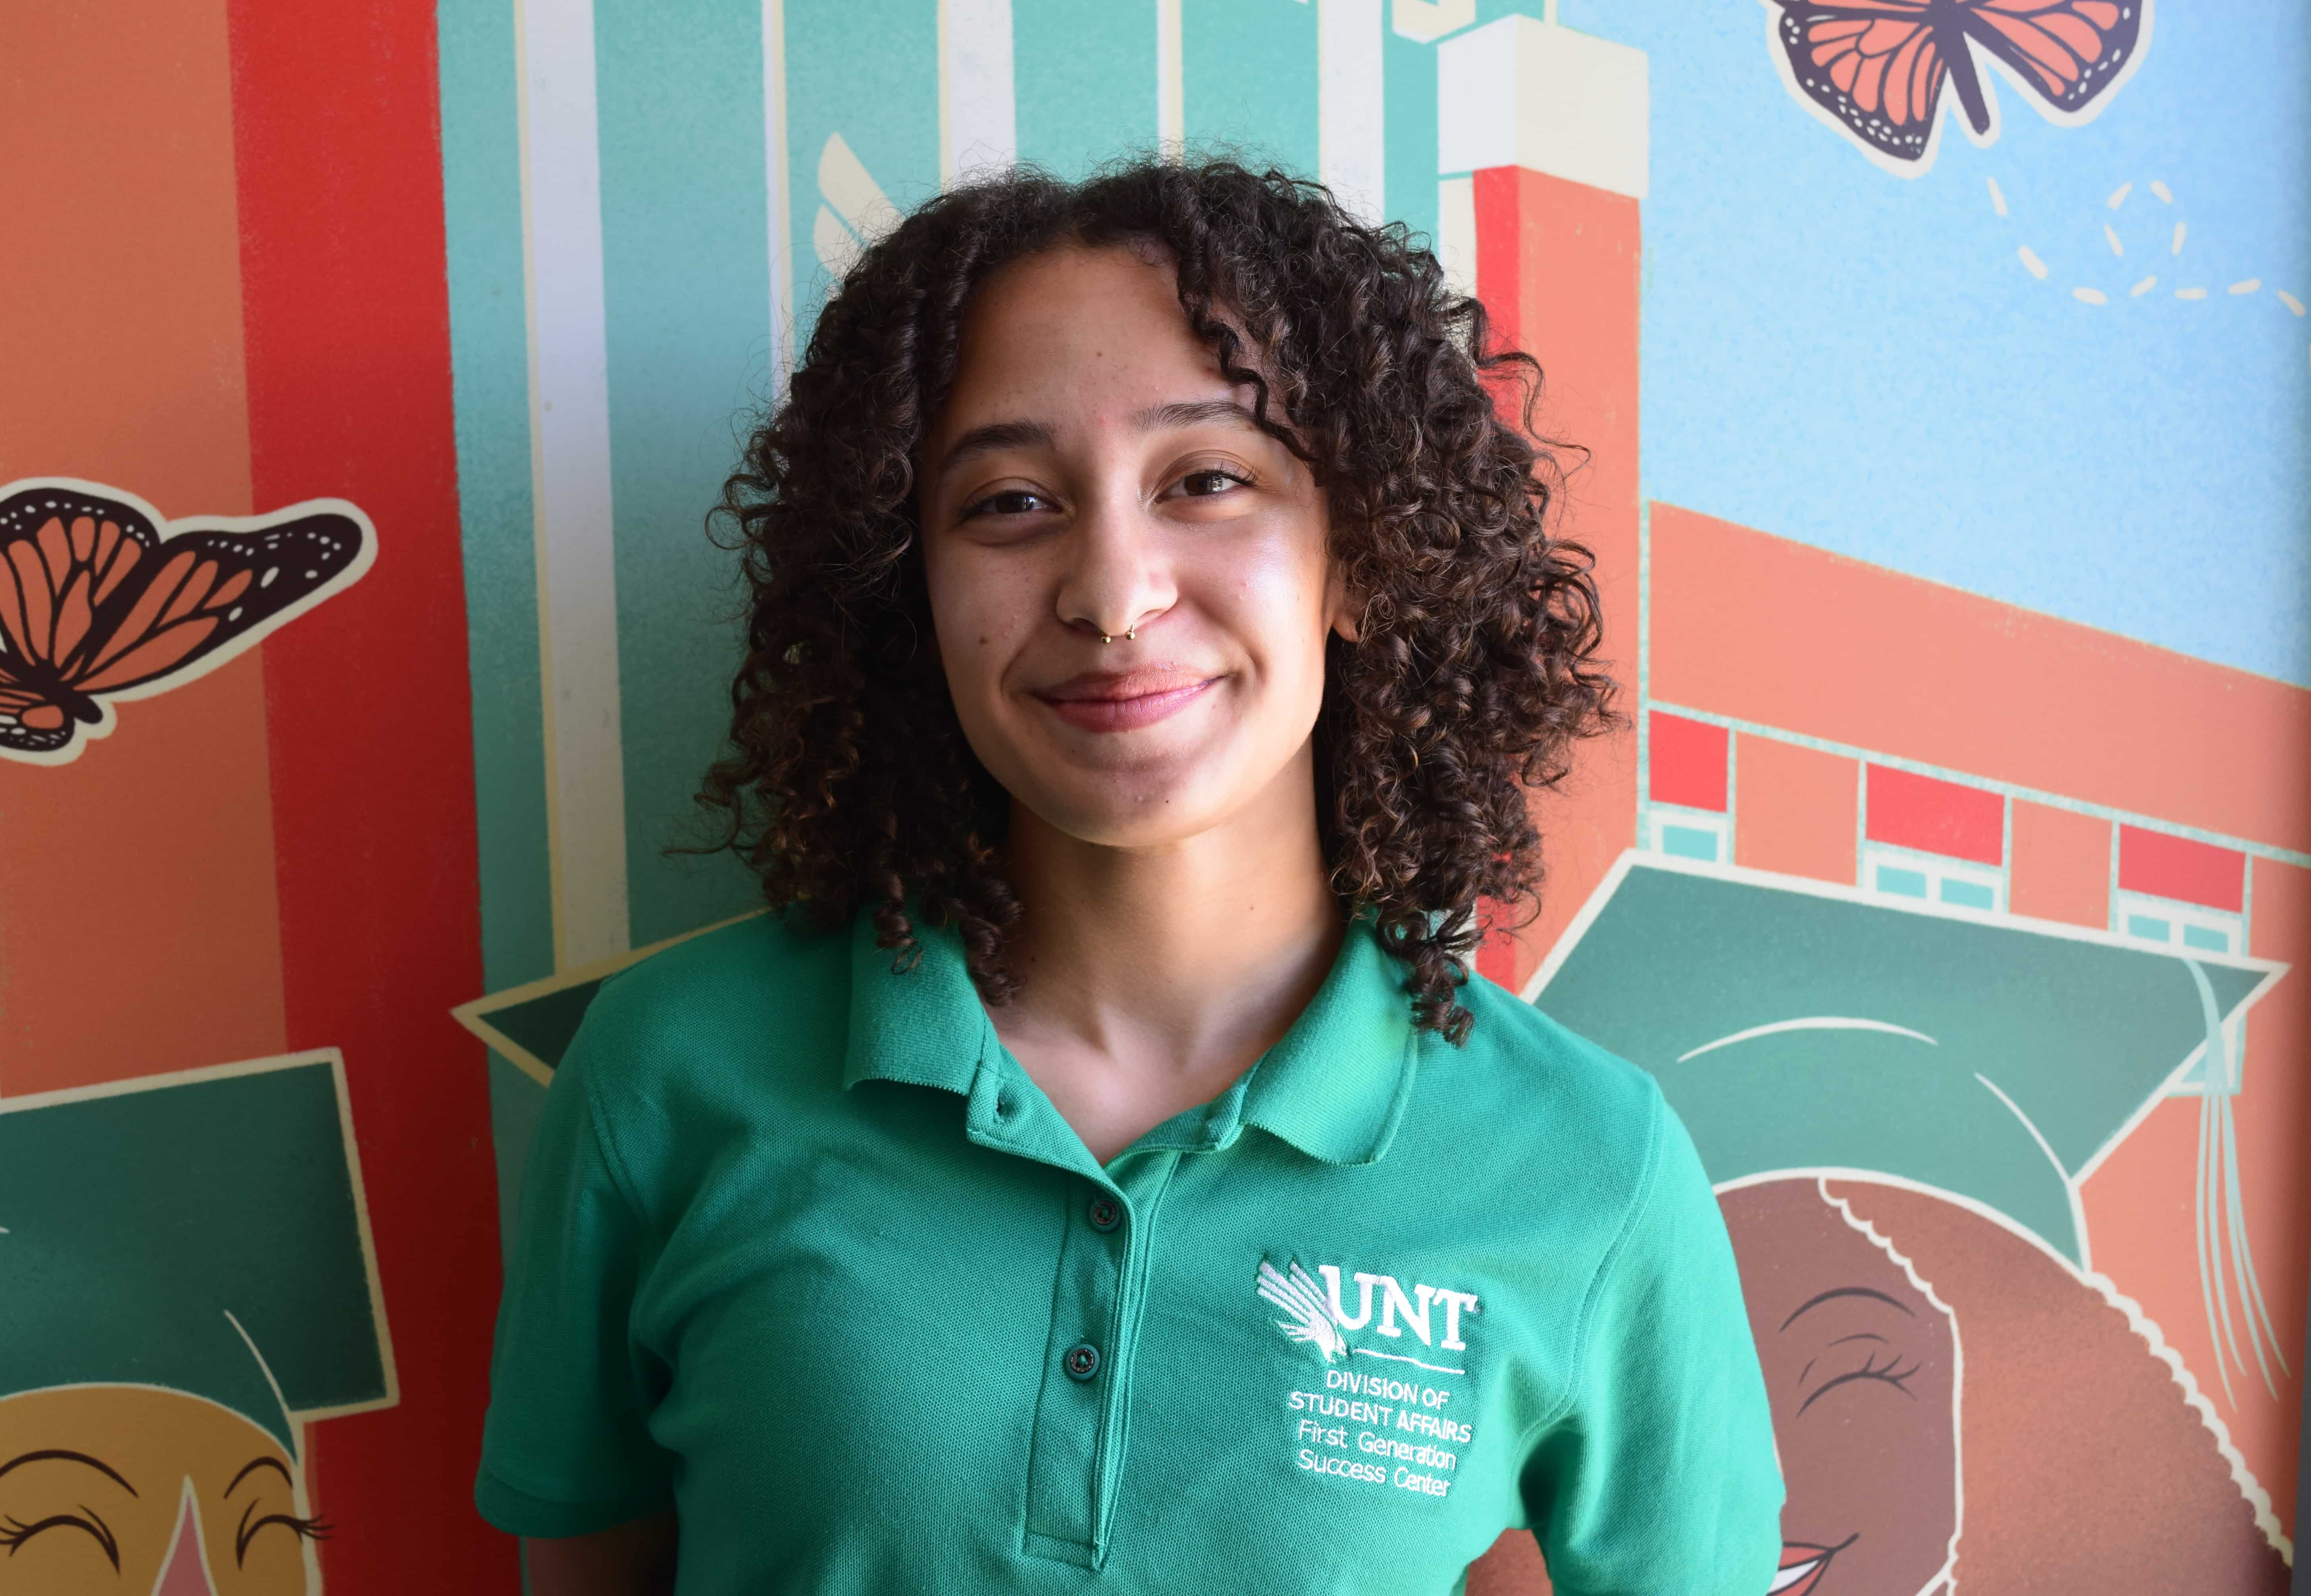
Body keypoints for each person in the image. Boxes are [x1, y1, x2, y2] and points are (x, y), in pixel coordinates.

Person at [474, 157, 1782, 1595]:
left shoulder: (1591, 1166)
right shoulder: (671, 1074)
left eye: (1209, 480)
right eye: (1011, 503)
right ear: (912, 588)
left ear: (1362, 559)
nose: (1112, 594)